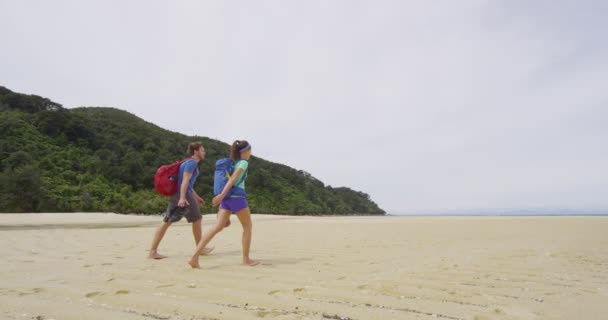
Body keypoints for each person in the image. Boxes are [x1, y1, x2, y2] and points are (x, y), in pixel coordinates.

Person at [188, 140, 259, 267]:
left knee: (217, 227)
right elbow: (232, 179)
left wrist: (222, 196)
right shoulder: (243, 163)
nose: (251, 153)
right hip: (237, 198)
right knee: (247, 228)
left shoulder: (233, 163)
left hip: (227, 199)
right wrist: (221, 195)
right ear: (246, 151)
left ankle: (194, 257)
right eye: (250, 150)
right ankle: (246, 259)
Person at [148, 141, 214, 259]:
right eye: (202, 150)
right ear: (196, 151)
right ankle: (201, 248)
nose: (204, 152)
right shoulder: (192, 163)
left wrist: (197, 197)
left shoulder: (187, 162)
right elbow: (184, 181)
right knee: (197, 219)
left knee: (167, 221)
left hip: (177, 194)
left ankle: (152, 251)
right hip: (182, 194)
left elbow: (188, 183)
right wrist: (183, 198)